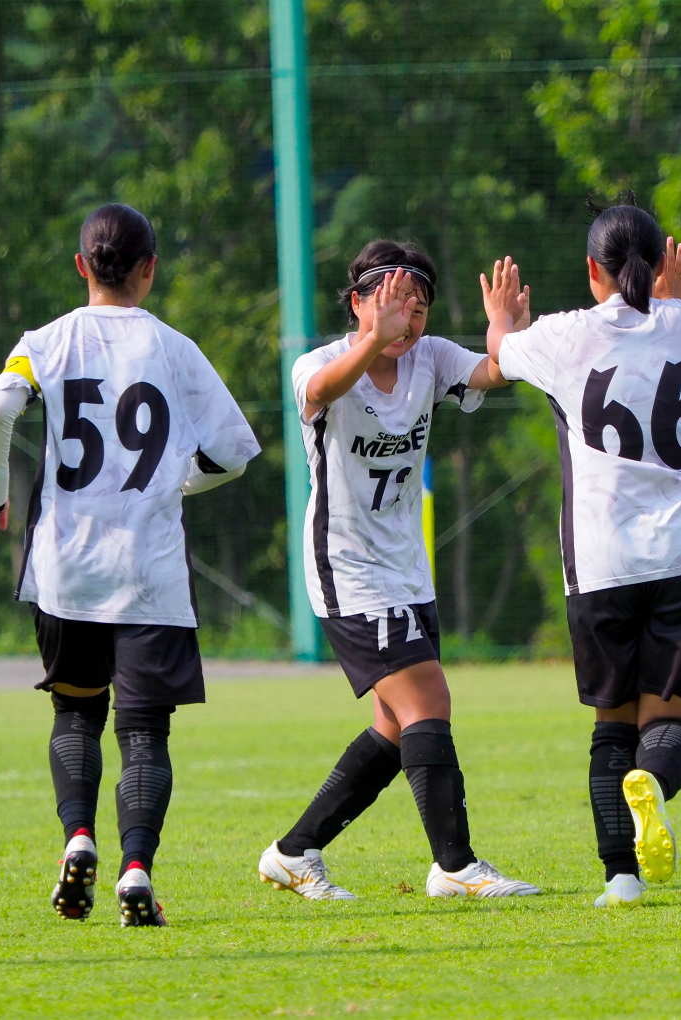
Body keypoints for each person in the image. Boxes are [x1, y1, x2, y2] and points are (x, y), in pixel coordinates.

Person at [0, 203, 259, 926]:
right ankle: (135, 873)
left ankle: (78, 838)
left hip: (67, 572)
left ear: (81, 266)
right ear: (150, 269)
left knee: (75, 712)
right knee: (145, 732)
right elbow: (234, 451)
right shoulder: (175, 349)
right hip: (149, 575)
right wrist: (175, 482)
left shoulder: (46, 341)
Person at [482, 197, 681, 908]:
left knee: (611, 728)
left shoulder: (563, 335)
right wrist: (674, 301)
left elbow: (500, 354)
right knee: (671, 723)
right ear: (660, 265)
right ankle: (652, 784)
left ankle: (620, 879)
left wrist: (502, 317)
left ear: (591, 269)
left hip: (602, 564)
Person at [257, 239, 539, 900]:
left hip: (407, 570)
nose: (406, 320)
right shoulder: (320, 364)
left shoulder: (429, 357)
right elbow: (321, 391)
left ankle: (294, 852)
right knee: (429, 700)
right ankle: (455, 865)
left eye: (418, 307)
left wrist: (505, 332)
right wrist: (372, 340)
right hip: (348, 568)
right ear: (357, 303)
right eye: (391, 303)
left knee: (395, 725)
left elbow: (495, 373)